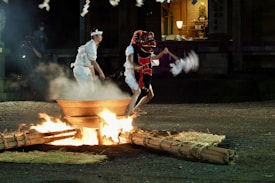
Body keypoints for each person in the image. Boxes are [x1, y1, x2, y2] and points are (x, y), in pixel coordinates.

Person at [124, 30, 168, 115]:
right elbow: (129, 60)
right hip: (132, 74)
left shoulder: (144, 48)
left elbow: (154, 57)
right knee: (137, 92)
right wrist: (136, 66)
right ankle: (129, 112)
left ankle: (135, 108)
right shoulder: (130, 48)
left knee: (150, 94)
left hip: (142, 74)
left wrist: (163, 53)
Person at [71, 28, 105, 98]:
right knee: (85, 89)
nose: (101, 37)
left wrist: (93, 77)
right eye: (99, 35)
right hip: (80, 68)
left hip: (85, 69)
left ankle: (86, 106)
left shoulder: (93, 45)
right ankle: (79, 106)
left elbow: (90, 64)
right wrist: (101, 72)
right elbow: (93, 61)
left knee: (91, 89)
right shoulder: (91, 45)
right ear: (95, 36)